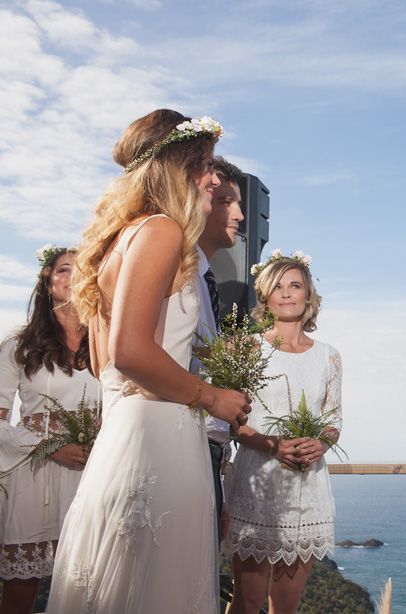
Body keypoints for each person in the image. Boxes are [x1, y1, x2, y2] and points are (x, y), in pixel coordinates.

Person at [46, 109, 252, 614]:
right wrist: (213, 397)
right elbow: (129, 352)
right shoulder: (160, 230)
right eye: (203, 163)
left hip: (128, 432)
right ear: (174, 166)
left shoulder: (121, 240)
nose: (212, 177)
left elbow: (103, 365)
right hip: (160, 437)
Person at [224, 252, 341, 614]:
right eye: (278, 286)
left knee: (287, 605)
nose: (287, 293)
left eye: (295, 285)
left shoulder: (329, 356)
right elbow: (230, 422)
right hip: (257, 484)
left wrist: (320, 442)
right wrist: (272, 446)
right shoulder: (246, 348)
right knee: (247, 602)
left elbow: (334, 420)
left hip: (307, 489)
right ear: (266, 296)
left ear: (308, 296)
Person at [0, 246, 99, 614]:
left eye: (80, 269)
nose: (71, 276)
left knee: (87, 589)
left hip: (91, 475)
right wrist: (51, 447)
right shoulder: (19, 347)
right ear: (47, 284)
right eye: (62, 270)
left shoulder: (106, 346)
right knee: (20, 593)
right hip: (34, 474)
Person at [195, 155, 245, 536]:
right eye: (227, 201)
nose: (240, 215)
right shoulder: (178, 275)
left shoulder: (207, 279)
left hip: (209, 451)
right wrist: (215, 398)